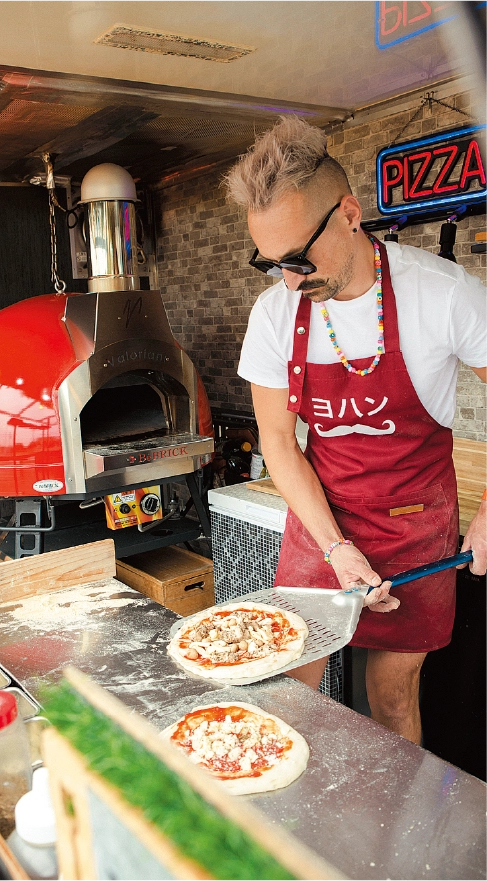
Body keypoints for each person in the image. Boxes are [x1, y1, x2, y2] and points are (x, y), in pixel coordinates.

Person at [226, 116, 487, 744]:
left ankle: (396, 834)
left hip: (417, 526)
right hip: (324, 523)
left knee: (392, 701)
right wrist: (336, 548)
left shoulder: (445, 294)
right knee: (291, 690)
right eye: (271, 262)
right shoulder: (275, 312)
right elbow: (280, 446)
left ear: (348, 214)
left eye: (298, 258)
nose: (288, 279)